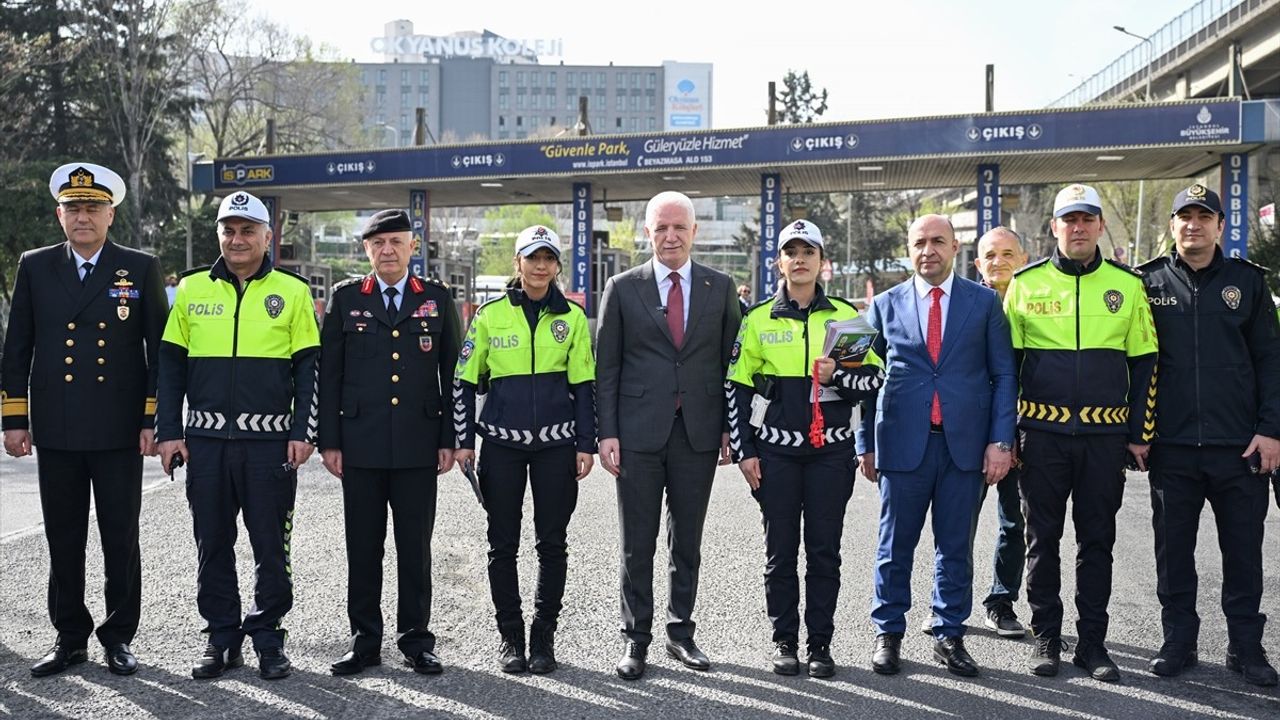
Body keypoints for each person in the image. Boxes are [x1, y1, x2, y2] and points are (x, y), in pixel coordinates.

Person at [1, 162, 166, 677]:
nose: (83, 217)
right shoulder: (35, 265)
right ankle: (70, 635)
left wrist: (151, 418)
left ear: (110, 214)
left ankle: (119, 636)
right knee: (63, 536)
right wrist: (14, 418)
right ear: (60, 215)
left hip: (118, 428)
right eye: (73, 209)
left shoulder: (138, 267)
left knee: (121, 536)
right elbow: (17, 346)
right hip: (58, 425)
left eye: (93, 208)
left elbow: (158, 350)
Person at [155, 191, 320, 680]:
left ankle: (269, 637)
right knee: (212, 542)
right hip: (204, 444)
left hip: (270, 445)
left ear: (268, 237)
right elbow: (169, 367)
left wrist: (303, 430)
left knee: (270, 544)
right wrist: (168, 432)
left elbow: (309, 368)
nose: (237, 239)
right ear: (219, 235)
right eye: (229, 229)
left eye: (248, 230)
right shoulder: (190, 290)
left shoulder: (292, 292)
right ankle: (221, 636)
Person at [1004, 183, 1158, 682]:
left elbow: (1146, 364)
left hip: (1103, 439)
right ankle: (1046, 637)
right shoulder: (1025, 285)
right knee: (1041, 540)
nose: (1078, 227)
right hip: (1042, 437)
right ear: (1054, 227)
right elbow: (1006, 367)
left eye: (1087, 219)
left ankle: (1093, 644)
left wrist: (1140, 432)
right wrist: (1009, 436)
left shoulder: (1127, 286)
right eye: (1069, 219)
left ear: (1099, 226)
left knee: (1098, 542)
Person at [855, 214, 1016, 678]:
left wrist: (1000, 441)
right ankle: (888, 632)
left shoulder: (983, 304)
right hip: (902, 445)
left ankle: (949, 634)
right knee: (893, 545)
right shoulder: (884, 305)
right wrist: (865, 442)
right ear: (909, 249)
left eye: (938, 242)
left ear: (954, 246)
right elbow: (864, 381)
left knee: (955, 546)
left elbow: (1004, 375)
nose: (929, 250)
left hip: (964, 447)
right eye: (919, 243)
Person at [726, 219, 884, 678]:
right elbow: (736, 388)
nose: (799, 259)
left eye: (808, 251)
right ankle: (784, 641)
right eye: (790, 251)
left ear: (822, 262)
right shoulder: (757, 318)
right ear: (779, 261)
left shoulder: (846, 315)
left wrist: (837, 374)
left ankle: (819, 644)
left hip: (830, 454)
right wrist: (744, 451)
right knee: (779, 552)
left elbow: (873, 380)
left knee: (824, 551)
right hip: (774, 454)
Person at [1137, 184, 1280, 687]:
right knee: (1172, 555)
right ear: (1172, 226)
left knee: (1243, 554)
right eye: (1184, 217)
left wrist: (1270, 432)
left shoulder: (1249, 283)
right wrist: (1138, 431)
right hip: (1171, 447)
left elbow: (1271, 361)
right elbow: (1135, 364)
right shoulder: (1146, 283)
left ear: (1220, 225)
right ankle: (1178, 641)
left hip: (1239, 448)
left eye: (1204, 216)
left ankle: (1246, 648)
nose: (1193, 225)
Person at [596, 190, 741, 680]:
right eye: (661, 227)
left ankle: (681, 633)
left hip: (697, 433)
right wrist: (607, 432)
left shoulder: (720, 288)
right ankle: (635, 639)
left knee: (688, 541)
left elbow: (731, 366)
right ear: (647, 232)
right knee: (637, 542)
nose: (670, 236)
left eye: (679, 227)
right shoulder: (621, 286)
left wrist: (727, 428)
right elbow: (607, 368)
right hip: (637, 434)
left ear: (695, 232)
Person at [318, 209, 459, 677]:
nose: (387, 250)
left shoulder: (436, 300)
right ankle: (364, 640)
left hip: (419, 446)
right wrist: (329, 441)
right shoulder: (345, 300)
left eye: (396, 242)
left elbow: (451, 375)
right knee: (363, 545)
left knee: (414, 546)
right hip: (360, 445)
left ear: (412, 246)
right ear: (366, 250)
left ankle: (416, 640)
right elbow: (330, 375)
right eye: (378, 243)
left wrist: (448, 439)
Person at [453, 225, 595, 674]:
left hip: (557, 447)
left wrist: (586, 444)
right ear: (517, 264)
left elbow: (585, 386)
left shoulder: (571, 318)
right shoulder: (489, 315)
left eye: (548, 258)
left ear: (557, 266)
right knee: (502, 544)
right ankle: (511, 636)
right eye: (531, 258)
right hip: (501, 446)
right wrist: (463, 442)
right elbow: (463, 382)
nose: (539, 266)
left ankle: (543, 636)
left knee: (552, 544)